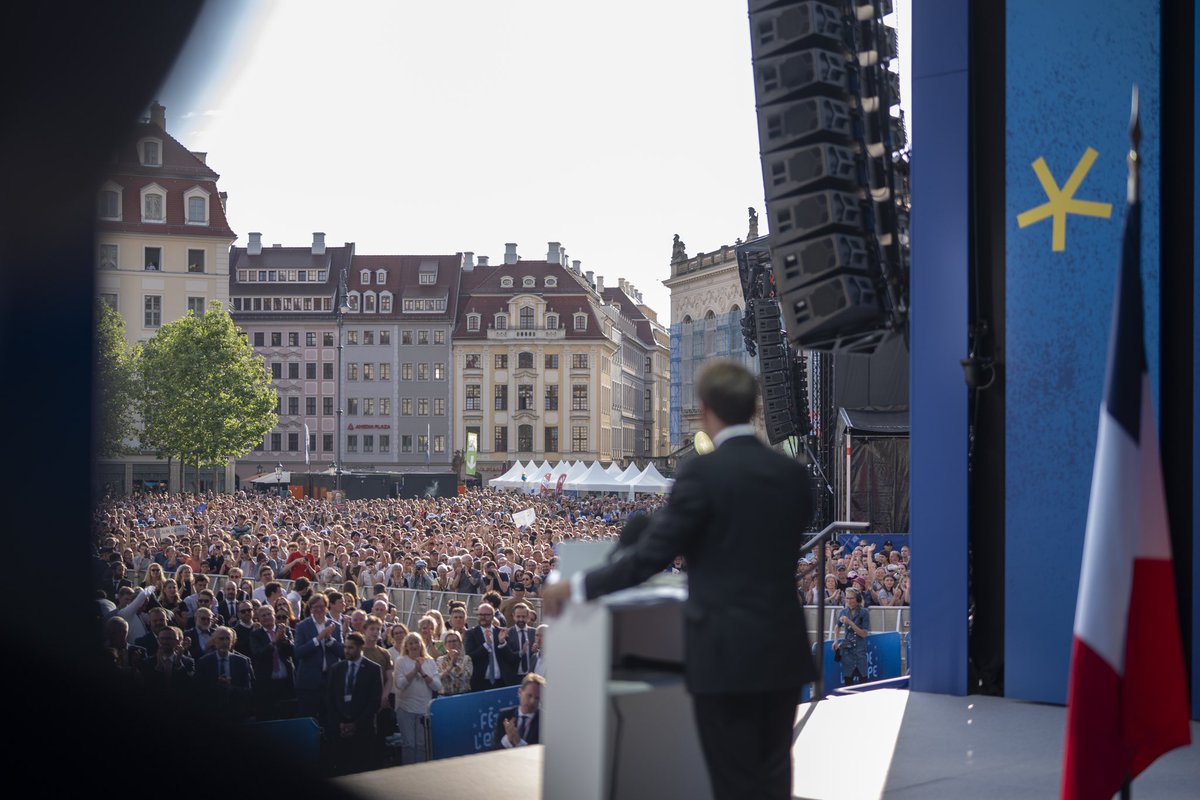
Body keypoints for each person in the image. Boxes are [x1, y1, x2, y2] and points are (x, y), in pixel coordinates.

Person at [542, 359, 816, 800]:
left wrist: (574, 587)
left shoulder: (702, 473)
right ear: (755, 408)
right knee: (774, 777)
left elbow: (649, 557)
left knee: (732, 782)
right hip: (781, 648)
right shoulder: (793, 474)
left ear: (705, 411)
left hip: (724, 655)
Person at [325, 632, 383, 775]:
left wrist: (355, 724)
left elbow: (374, 701)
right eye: (345, 647)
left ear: (360, 648)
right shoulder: (337, 668)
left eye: (350, 648)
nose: (346, 651)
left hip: (363, 729)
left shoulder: (373, 669)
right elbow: (330, 698)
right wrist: (340, 722)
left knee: (362, 769)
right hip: (340, 728)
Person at [294, 592, 344, 719]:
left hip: (330, 681)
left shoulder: (335, 626)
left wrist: (329, 640)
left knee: (329, 718)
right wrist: (319, 638)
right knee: (307, 718)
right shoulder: (302, 626)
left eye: (322, 606)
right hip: (309, 683)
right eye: (315, 607)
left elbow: (343, 652)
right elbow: (298, 652)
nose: (319, 610)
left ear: (327, 608)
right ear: (310, 609)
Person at [393, 632, 441, 764]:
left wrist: (423, 673)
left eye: (416, 642)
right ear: (406, 646)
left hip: (423, 710)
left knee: (421, 745)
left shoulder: (430, 661)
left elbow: (437, 686)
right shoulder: (400, 661)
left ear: (421, 645)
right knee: (409, 744)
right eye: (411, 643)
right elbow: (400, 684)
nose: (414, 646)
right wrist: (414, 671)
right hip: (405, 709)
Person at [195, 626, 254, 721]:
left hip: (237, 713)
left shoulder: (242, 661)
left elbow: (249, 690)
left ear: (233, 641)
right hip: (211, 713)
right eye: (221, 639)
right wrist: (217, 685)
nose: (225, 642)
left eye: (228, 638)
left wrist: (230, 688)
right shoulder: (204, 662)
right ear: (214, 641)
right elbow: (198, 689)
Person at [249, 604, 295, 721]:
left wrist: (284, 639)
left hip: (286, 680)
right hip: (266, 682)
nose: (266, 617)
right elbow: (258, 654)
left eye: (269, 614)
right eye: (263, 615)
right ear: (258, 618)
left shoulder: (285, 630)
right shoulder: (256, 635)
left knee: (287, 714)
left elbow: (293, 652)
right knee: (267, 715)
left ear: (274, 615)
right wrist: (274, 641)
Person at [464, 602, 517, 692]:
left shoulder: (500, 632)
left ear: (493, 616)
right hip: (480, 683)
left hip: (501, 683)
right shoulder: (471, 633)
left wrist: (502, 643)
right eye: (480, 614)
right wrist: (486, 646)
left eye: (486, 615)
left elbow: (511, 658)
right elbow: (470, 656)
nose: (482, 617)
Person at [490, 673, 544, 749]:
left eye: (537, 698)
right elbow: (493, 750)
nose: (532, 701)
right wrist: (508, 739)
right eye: (529, 695)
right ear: (520, 692)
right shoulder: (505, 716)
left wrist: (519, 742)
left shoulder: (544, 721)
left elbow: (541, 753)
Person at [835, 587, 870, 685]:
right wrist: (836, 641)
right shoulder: (843, 612)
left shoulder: (864, 612)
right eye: (847, 598)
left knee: (863, 680)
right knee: (848, 681)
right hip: (847, 651)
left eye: (851, 598)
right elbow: (837, 627)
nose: (849, 601)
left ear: (858, 599)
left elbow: (863, 634)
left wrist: (850, 622)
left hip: (860, 650)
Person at [436, 629, 473, 696]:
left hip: (463, 695)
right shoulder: (440, 660)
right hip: (445, 695)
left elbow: (466, 677)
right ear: (445, 645)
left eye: (454, 641)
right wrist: (451, 665)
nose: (452, 644)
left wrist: (455, 664)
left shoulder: (467, 659)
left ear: (459, 643)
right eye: (449, 642)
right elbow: (439, 677)